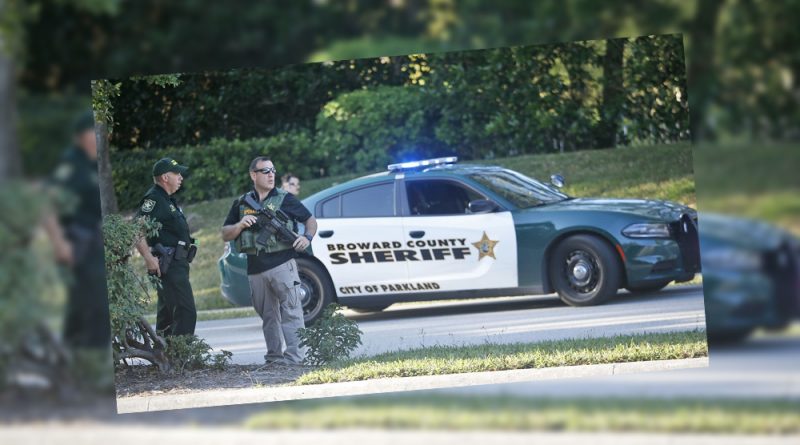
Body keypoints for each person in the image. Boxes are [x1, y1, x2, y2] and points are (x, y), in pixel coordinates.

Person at [222, 157, 317, 365]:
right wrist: (239, 225)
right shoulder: (241, 203)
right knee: (268, 316)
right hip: (255, 269)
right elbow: (225, 233)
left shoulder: (285, 199)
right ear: (253, 175)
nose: (271, 174)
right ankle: (274, 358)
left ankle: (295, 359)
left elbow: (310, 221)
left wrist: (306, 237)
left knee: (292, 312)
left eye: (273, 170)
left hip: (283, 264)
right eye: (265, 171)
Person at [44, 111, 110, 348]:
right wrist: (59, 243)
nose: (95, 138)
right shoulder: (70, 164)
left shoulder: (90, 164)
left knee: (86, 308)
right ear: (79, 137)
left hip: (92, 244)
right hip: (77, 243)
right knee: (89, 306)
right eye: (89, 133)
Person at [134, 158, 197, 336]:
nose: (181, 177)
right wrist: (148, 258)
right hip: (168, 264)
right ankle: (179, 359)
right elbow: (136, 229)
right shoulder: (154, 199)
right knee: (186, 311)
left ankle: (165, 357)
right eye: (177, 173)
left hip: (177, 263)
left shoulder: (167, 200)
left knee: (168, 313)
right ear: (165, 177)